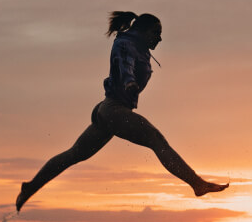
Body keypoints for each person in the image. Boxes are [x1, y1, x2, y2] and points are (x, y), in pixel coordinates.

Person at [15, 11, 228, 211]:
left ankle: (31, 187)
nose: (159, 39)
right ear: (143, 31)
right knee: (156, 139)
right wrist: (129, 82)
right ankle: (197, 184)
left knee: (75, 154)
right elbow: (123, 62)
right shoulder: (126, 44)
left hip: (108, 110)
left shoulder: (139, 48)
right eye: (156, 33)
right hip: (114, 109)